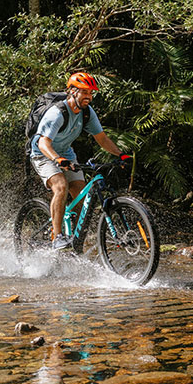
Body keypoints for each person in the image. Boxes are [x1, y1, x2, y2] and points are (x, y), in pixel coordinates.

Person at [29, 72, 131, 250]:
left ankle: (74, 239)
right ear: (72, 92)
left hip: (65, 153)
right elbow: (43, 142)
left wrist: (120, 154)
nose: (89, 97)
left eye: (91, 93)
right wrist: (57, 159)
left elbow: (102, 138)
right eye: (85, 92)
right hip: (43, 153)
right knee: (61, 186)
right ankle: (58, 236)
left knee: (80, 192)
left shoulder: (87, 113)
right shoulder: (57, 113)